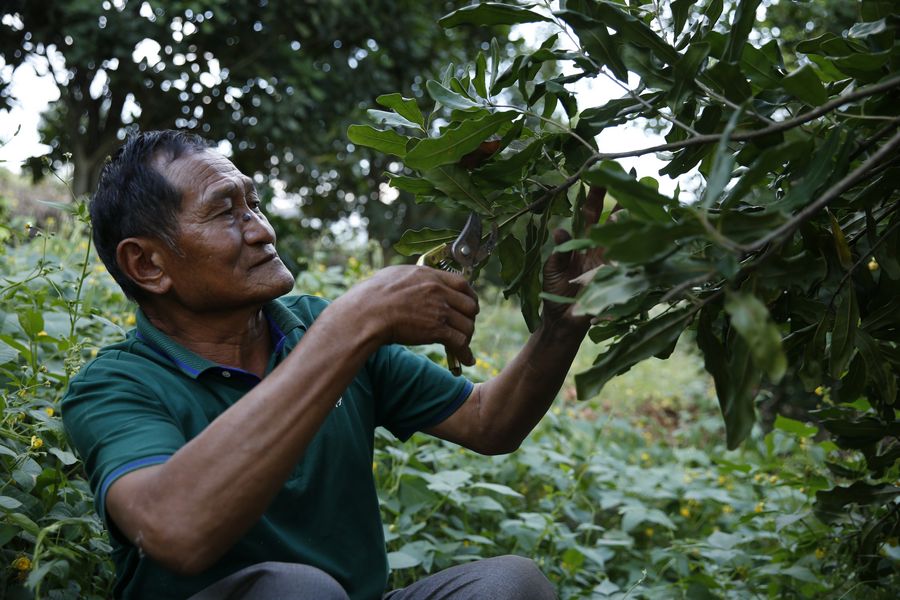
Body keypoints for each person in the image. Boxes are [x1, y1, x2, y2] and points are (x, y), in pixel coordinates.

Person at [62, 130, 606, 600]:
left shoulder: (314, 327)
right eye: (226, 212)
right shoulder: (114, 386)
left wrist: (561, 325)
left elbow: (488, 421)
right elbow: (175, 530)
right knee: (298, 591)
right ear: (147, 264)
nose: (261, 230)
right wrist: (352, 325)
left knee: (510, 584)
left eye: (254, 205)